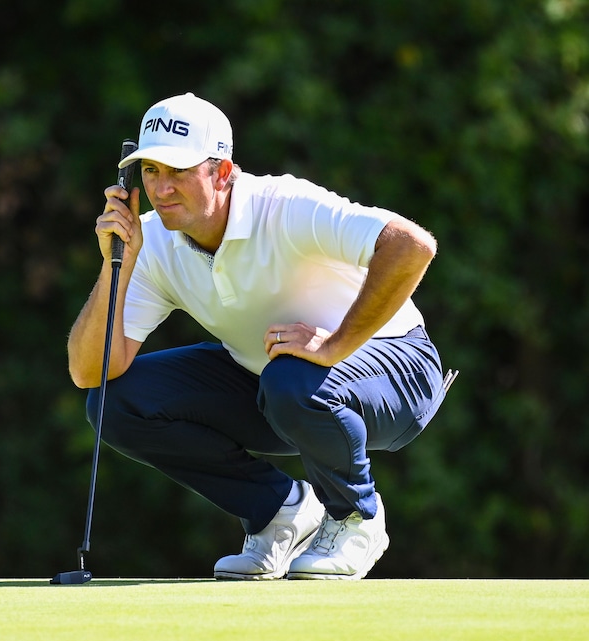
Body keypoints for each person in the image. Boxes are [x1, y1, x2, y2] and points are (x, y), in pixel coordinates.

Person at [66, 92, 449, 581]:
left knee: (291, 379)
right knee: (114, 402)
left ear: (223, 172)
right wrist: (113, 266)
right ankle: (278, 512)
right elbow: (89, 369)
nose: (162, 189)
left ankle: (357, 518)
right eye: (150, 172)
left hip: (399, 372)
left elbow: (412, 245)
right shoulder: (150, 239)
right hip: (278, 385)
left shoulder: (285, 206)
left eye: (179, 171)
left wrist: (335, 345)